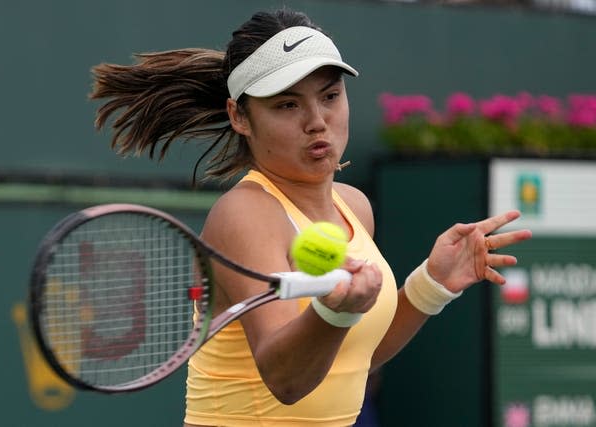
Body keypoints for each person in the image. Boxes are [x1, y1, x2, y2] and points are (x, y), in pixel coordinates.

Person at [89, 8, 532, 427]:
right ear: (240, 116)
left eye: (330, 96)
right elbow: (287, 381)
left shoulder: (354, 205)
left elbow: (354, 360)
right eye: (287, 105)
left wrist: (430, 285)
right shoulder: (245, 214)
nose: (317, 121)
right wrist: (334, 312)